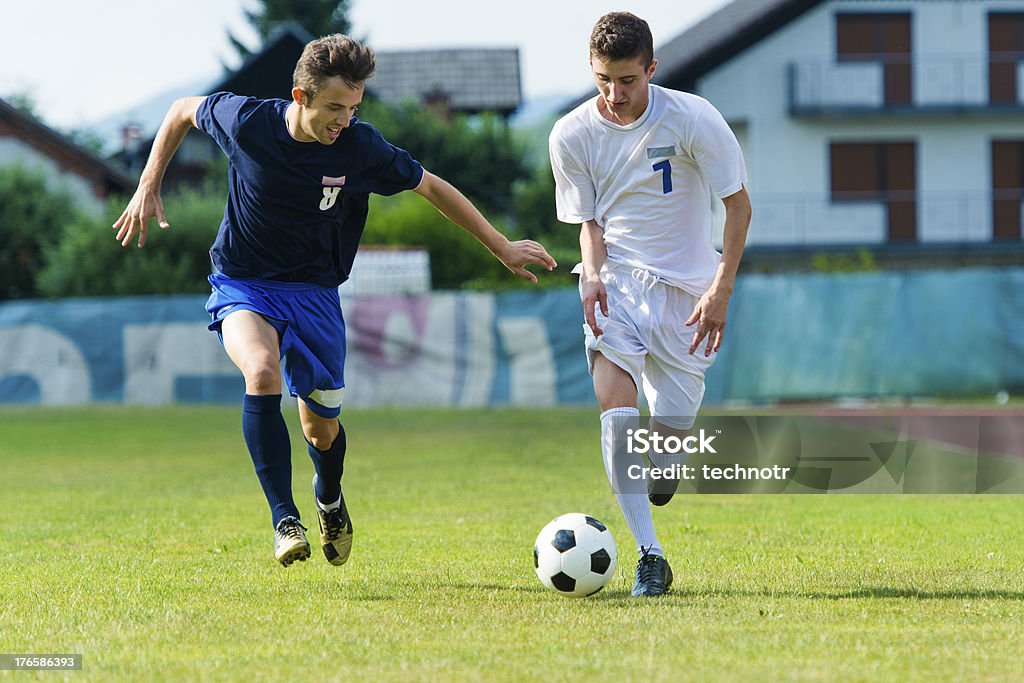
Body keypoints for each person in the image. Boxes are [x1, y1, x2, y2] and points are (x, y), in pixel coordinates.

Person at [114, 34, 556, 568]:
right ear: (300, 97)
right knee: (260, 372)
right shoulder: (248, 123)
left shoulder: (361, 148)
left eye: (352, 107)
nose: (343, 120)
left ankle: (329, 497)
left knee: (320, 428)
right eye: (333, 108)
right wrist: (147, 181)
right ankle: (284, 519)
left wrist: (501, 247)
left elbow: (433, 187)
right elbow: (183, 110)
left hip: (317, 294)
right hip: (243, 282)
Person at [549, 12, 751, 597]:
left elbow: (738, 206)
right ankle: (651, 556)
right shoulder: (570, 134)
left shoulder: (693, 117)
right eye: (603, 80)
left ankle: (663, 471)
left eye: (628, 81)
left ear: (652, 70)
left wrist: (720, 290)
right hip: (618, 286)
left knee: (665, 454)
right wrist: (591, 274)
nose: (614, 95)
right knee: (617, 413)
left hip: (690, 297)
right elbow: (589, 223)